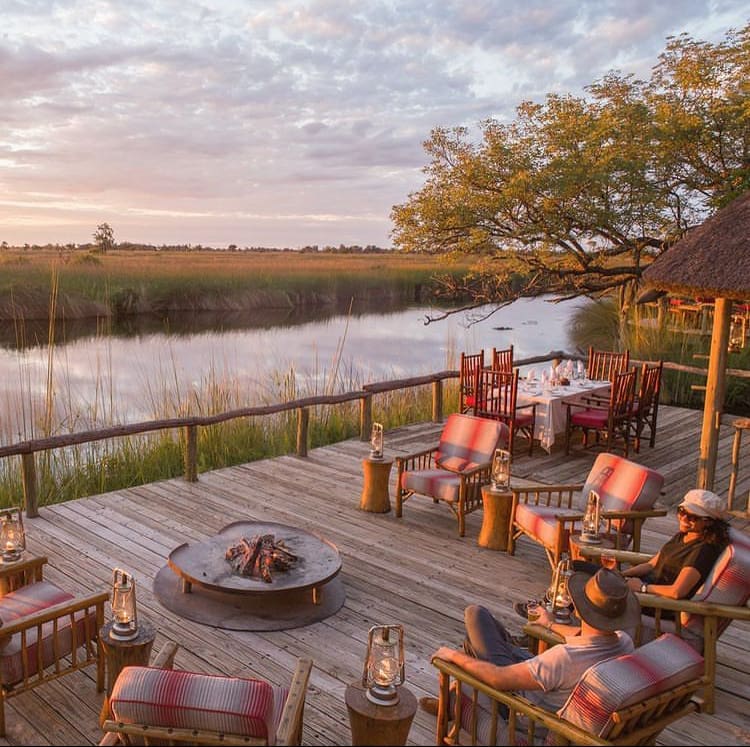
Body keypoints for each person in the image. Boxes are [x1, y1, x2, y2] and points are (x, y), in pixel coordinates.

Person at [422, 568, 640, 718]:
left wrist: (452, 657)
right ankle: (498, 650)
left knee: (475, 616)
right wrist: (549, 624)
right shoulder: (623, 641)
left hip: (517, 703)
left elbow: (499, 679)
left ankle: (450, 702)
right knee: (483, 638)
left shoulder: (566, 659)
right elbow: (583, 636)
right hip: (541, 676)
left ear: (581, 609)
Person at [620, 488, 730, 607]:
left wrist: (642, 587)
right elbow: (651, 564)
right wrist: (623, 574)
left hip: (657, 603)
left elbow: (677, 591)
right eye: (682, 511)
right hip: (644, 589)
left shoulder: (703, 551)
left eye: (693, 517)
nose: (684, 518)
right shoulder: (684, 535)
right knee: (598, 575)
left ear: (709, 522)